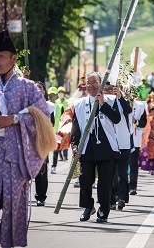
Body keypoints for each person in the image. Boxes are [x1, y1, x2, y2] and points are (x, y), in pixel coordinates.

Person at [0, 30, 50, 248]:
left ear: (14, 59)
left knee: (13, 201)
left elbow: (42, 114)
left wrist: (14, 119)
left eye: (1, 56)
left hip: (16, 155)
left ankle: (7, 243)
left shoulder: (27, 87)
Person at [71, 72, 121, 223]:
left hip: (107, 146)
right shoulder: (79, 104)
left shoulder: (111, 100)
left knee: (105, 183)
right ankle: (88, 206)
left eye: (94, 82)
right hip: (87, 146)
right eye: (88, 82)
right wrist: (74, 146)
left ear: (101, 83)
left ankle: (103, 210)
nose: (91, 85)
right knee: (85, 180)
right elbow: (76, 128)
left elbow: (117, 118)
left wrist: (102, 104)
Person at [103, 82, 132, 210]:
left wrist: (120, 96)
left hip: (123, 143)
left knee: (122, 173)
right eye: (106, 89)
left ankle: (121, 198)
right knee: (110, 174)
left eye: (111, 89)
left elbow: (128, 110)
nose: (109, 91)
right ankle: (111, 199)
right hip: (108, 144)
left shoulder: (121, 101)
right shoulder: (101, 103)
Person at [47, 86, 64, 173]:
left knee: (56, 150)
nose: (51, 96)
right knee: (46, 150)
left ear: (56, 95)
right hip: (48, 131)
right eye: (50, 94)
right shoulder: (46, 104)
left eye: (53, 94)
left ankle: (54, 166)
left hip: (57, 131)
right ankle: (46, 165)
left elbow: (62, 118)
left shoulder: (60, 106)